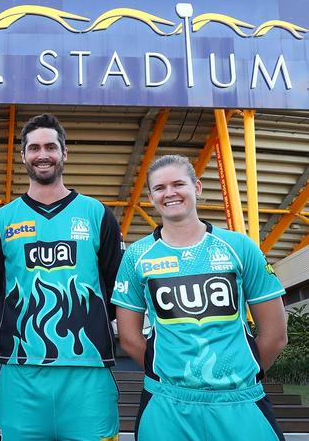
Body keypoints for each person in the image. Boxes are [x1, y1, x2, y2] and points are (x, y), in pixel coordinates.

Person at [111, 154, 288, 441]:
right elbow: (130, 338)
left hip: (240, 402)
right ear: (150, 196)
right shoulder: (137, 255)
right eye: (159, 188)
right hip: (167, 404)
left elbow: (276, 335)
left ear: (197, 187)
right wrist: (171, 374)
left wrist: (237, 378)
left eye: (178, 184)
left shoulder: (239, 246)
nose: (169, 193)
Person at [0, 113, 124, 441]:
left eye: (50, 147)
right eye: (34, 148)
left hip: (88, 372)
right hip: (21, 373)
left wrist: (88, 318)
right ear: (23, 156)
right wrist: (20, 319)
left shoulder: (97, 214)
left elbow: (118, 287)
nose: (42, 154)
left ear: (64, 153)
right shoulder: (2, 220)